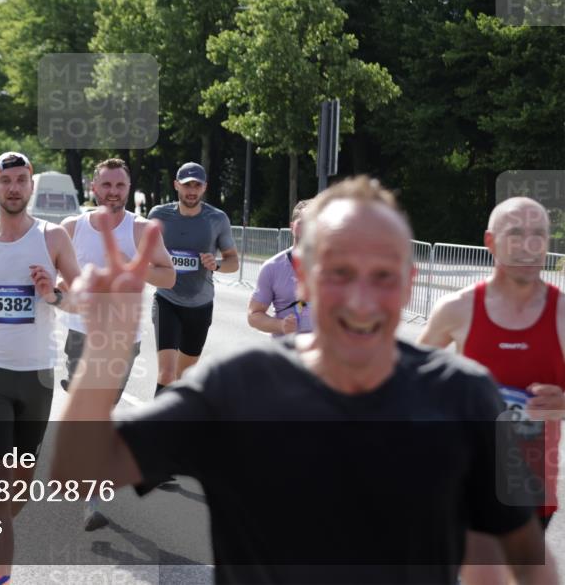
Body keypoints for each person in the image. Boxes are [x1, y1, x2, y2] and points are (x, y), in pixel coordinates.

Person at [51, 176, 555, 584]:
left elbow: (525, 552)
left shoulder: (465, 393)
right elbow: (77, 474)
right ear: (305, 278)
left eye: (382, 275)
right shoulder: (240, 389)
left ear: (409, 282)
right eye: (339, 272)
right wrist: (106, 347)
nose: (361, 300)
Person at [418, 196, 564, 583]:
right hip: (465, 479)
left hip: (531, 488)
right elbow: (409, 382)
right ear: (490, 242)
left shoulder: (563, 314)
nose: (529, 245)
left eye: (538, 234)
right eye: (515, 233)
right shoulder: (457, 308)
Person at [0, 151, 80, 584]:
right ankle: (1, 576)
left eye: (22, 180)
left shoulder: (53, 237)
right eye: (6, 181)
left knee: (19, 488)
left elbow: (81, 299)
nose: (14, 188)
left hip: (37, 375)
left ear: (31, 186)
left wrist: (53, 295)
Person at [59, 157, 174, 531]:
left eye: (119, 185)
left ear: (128, 188)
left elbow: (169, 277)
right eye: (106, 185)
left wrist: (136, 267)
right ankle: (90, 497)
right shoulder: (72, 227)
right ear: (93, 188)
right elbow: (57, 278)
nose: (112, 192)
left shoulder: (139, 229)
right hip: (80, 332)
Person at [148, 162, 238, 395]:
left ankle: (178, 414)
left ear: (204, 187)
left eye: (197, 185)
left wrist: (216, 264)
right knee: (167, 374)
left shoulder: (217, 219)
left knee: (184, 377)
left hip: (200, 305)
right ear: (176, 185)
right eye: (187, 185)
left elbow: (233, 262)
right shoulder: (158, 215)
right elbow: (146, 255)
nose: (192, 191)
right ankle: (157, 418)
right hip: (167, 300)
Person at [247, 199, 314, 337]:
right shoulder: (272, 267)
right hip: (287, 348)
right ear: (292, 226)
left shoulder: (336, 266)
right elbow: (254, 315)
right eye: (302, 223)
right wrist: (281, 325)